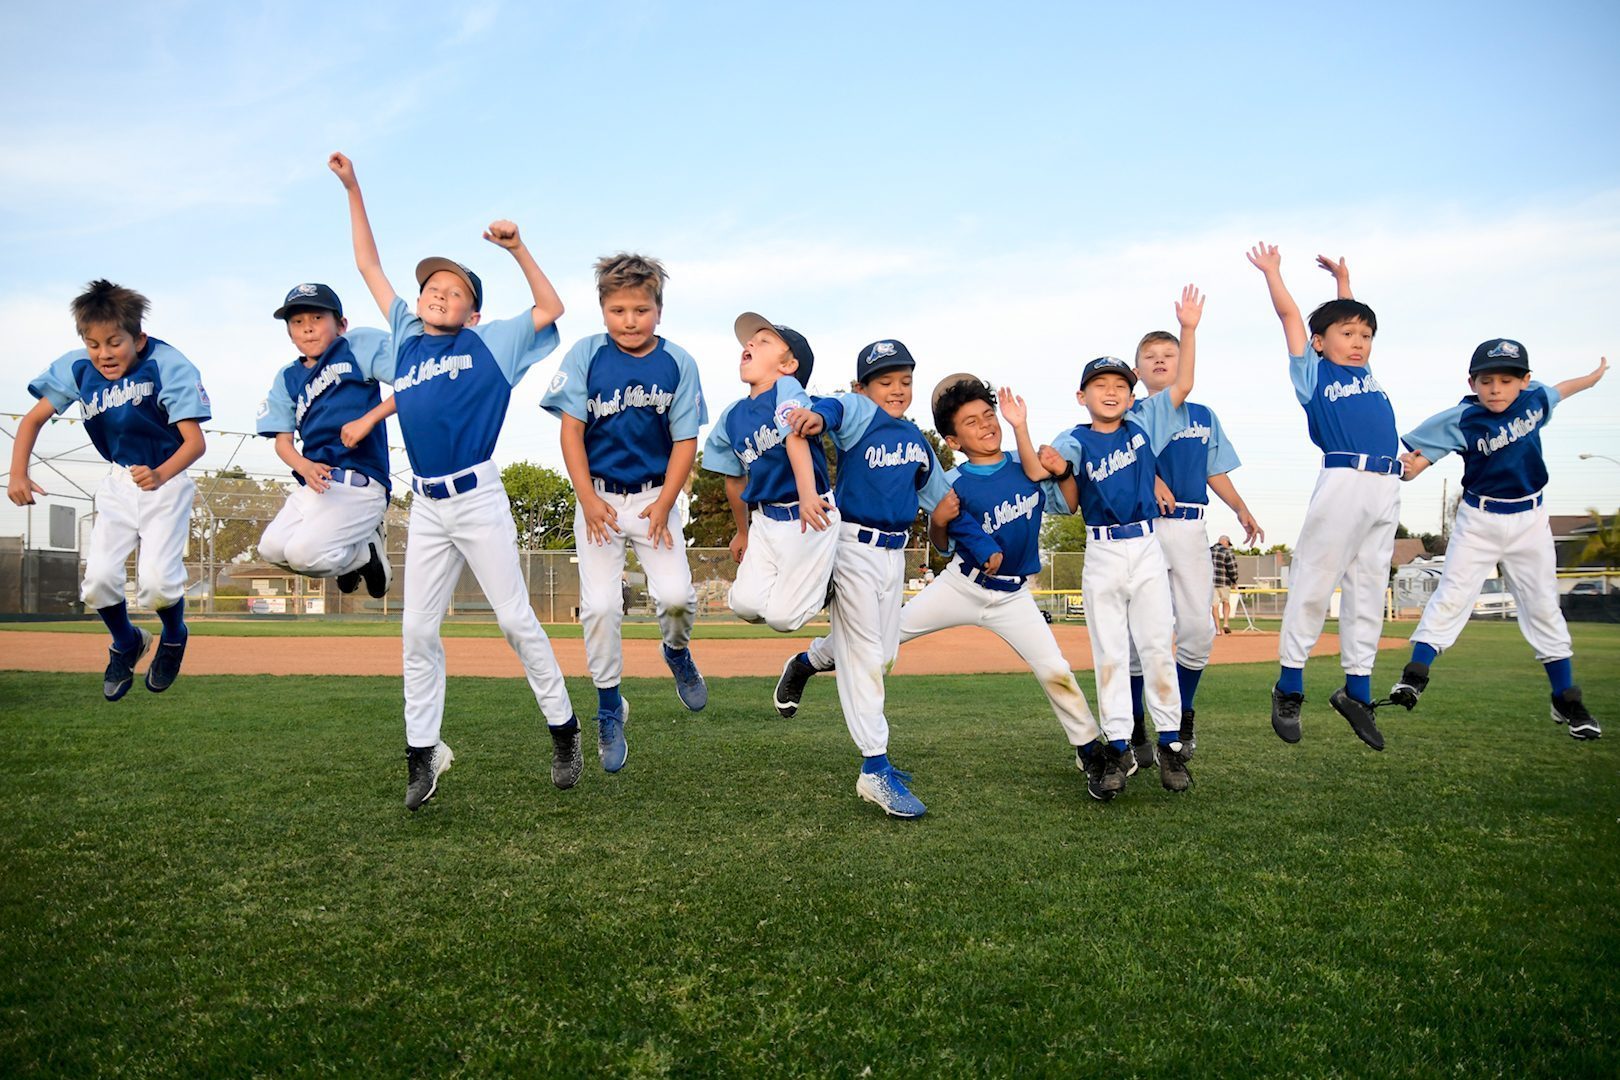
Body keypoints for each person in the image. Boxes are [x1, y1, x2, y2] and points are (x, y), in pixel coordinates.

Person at [330, 151, 579, 810]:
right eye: (431, 288)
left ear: (472, 312)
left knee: (515, 621)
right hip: (427, 507)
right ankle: (423, 752)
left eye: (453, 290)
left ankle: (564, 730)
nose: (437, 293)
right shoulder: (407, 340)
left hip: (478, 498)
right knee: (416, 632)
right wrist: (354, 186)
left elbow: (551, 305)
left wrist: (518, 248)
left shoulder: (489, 343)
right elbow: (367, 265)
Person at [896, 375, 1103, 796]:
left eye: (988, 415)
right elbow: (942, 545)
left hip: (1012, 596)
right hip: (961, 585)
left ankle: (1089, 749)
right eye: (971, 421)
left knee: (1055, 669)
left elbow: (1068, 503)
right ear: (953, 441)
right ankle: (812, 660)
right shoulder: (953, 483)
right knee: (886, 631)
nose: (986, 424)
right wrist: (937, 520)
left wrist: (1056, 465)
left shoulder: (1023, 464)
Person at [541, 253, 708, 773]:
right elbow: (570, 431)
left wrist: (665, 503)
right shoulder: (587, 354)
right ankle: (610, 706)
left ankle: (676, 653)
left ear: (658, 309)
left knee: (677, 598)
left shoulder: (678, 361)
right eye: (617, 310)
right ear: (602, 310)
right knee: (600, 609)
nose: (629, 320)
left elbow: (686, 439)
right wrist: (587, 497)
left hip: (655, 498)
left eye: (640, 309)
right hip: (600, 502)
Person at [1390, 342, 1607, 739]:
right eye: (1486, 380)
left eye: (1506, 380)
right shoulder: (1464, 418)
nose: (1495, 388)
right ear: (1472, 382)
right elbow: (1419, 462)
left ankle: (1566, 698)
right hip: (1479, 520)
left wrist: (1593, 379)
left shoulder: (1535, 401)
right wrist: (1408, 468)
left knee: (1543, 606)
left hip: (1531, 520)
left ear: (1524, 382)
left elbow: (1563, 388)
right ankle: (1414, 675)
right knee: (1452, 594)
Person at [771, 340, 951, 817]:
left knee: (883, 654)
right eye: (885, 381)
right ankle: (875, 768)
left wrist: (964, 530)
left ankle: (808, 662)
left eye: (905, 381)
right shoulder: (855, 410)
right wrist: (815, 419)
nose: (896, 389)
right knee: (867, 659)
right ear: (862, 387)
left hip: (896, 557)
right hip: (852, 548)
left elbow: (945, 503)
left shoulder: (916, 441)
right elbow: (828, 410)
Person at [1039, 286, 1204, 797]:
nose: (1110, 391)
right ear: (1081, 394)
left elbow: (1182, 383)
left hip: (1146, 546)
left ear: (1132, 396)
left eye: (1119, 385)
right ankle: (1116, 748)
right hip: (1103, 550)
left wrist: (1189, 330)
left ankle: (1172, 747)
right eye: (1099, 385)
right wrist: (1043, 453)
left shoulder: (1143, 425)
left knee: (1158, 646)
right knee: (1110, 652)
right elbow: (1055, 467)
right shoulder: (1075, 436)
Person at [10, 281, 210, 700]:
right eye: (93, 343)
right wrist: (18, 474)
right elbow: (31, 421)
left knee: (155, 584)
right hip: (120, 482)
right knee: (98, 581)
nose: (103, 353)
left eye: (115, 342)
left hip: (166, 480)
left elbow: (195, 443)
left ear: (137, 338)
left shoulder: (167, 364)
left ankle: (174, 635)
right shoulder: (78, 366)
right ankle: (126, 641)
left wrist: (159, 474)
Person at [1247, 245, 1399, 751]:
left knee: (1368, 591)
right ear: (1318, 343)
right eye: (1348, 335)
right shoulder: (1314, 374)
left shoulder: (1364, 373)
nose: (1359, 343)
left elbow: (1344, 319)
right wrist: (1274, 273)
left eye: (1366, 336)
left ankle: (1357, 692)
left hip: (1386, 486)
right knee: (1314, 585)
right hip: (1343, 481)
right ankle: (1289, 686)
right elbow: (1293, 316)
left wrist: (1344, 283)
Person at [1124, 324, 1262, 762]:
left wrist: (1240, 507)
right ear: (1137, 370)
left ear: (1183, 363)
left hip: (1190, 527)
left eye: (1169, 353)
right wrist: (1155, 478)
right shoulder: (1131, 414)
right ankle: (1135, 724)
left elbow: (1213, 468)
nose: (1161, 360)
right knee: (1139, 635)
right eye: (1151, 356)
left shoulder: (1203, 415)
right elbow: (1128, 461)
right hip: (1145, 527)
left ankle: (1183, 713)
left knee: (1199, 630)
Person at [701, 313, 838, 632]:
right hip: (765, 520)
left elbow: (795, 437)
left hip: (811, 514)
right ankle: (805, 583)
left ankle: (829, 580)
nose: (750, 343)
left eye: (764, 341)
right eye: (750, 341)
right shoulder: (732, 416)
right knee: (744, 604)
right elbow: (734, 478)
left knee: (783, 619)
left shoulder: (787, 389)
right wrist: (743, 531)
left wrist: (807, 496)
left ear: (789, 366)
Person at [255, 283, 393, 600]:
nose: (307, 329)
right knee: (272, 549)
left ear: (341, 324)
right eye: (297, 322)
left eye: (317, 318)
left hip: (360, 483)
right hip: (318, 483)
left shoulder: (355, 347)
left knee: (305, 554)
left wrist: (369, 418)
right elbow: (283, 442)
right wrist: (302, 466)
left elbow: (413, 382)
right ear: (289, 333)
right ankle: (356, 557)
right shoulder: (288, 378)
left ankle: (364, 551)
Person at [1211, 535, 1240, 635]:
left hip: (1212, 583)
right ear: (1226, 542)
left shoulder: (1209, 551)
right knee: (1226, 602)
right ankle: (1226, 623)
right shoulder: (1227, 552)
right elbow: (1232, 568)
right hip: (1224, 582)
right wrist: (1234, 580)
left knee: (1214, 606)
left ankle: (1218, 629)